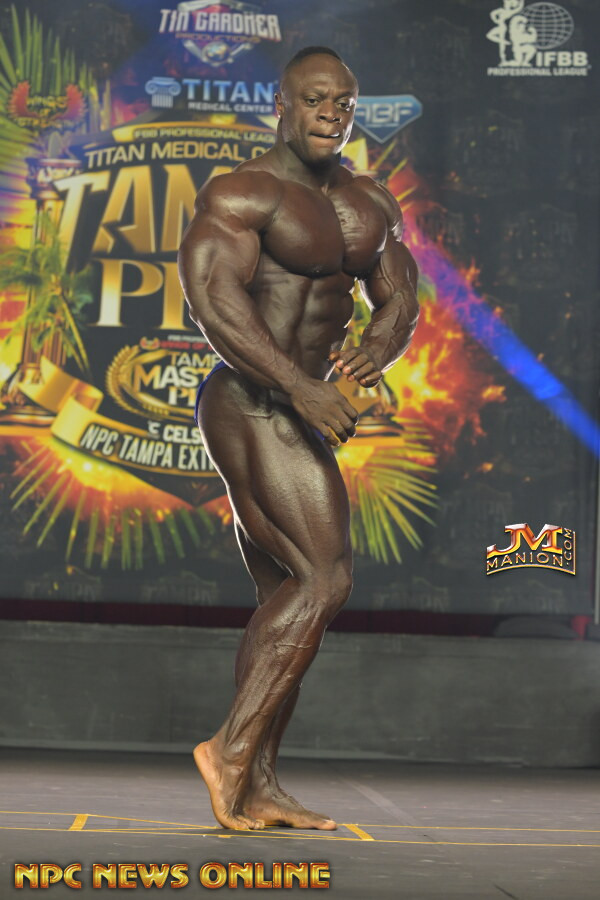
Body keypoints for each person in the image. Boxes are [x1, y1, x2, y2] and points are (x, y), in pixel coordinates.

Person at [178, 46, 419, 831]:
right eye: (316, 99)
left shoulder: (368, 200)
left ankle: (258, 786)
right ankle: (228, 751)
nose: (331, 113)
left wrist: (375, 350)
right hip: (250, 402)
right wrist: (299, 385)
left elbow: (399, 297)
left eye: (343, 102)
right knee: (326, 578)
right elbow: (214, 298)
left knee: (288, 599)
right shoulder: (244, 192)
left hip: (299, 406)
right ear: (280, 105)